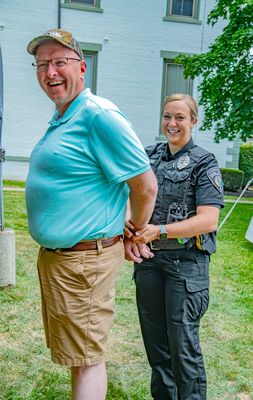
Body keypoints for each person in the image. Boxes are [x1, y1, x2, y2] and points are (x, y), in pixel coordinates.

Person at [25, 28, 157, 400]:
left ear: (82, 68)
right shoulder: (65, 116)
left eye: (59, 62)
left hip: (84, 262)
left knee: (87, 359)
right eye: (42, 64)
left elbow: (145, 185)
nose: (50, 72)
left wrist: (136, 230)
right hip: (64, 262)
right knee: (78, 356)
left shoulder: (99, 115)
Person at [124, 93, 224, 400]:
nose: (172, 123)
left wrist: (162, 230)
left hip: (186, 266)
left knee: (183, 349)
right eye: (168, 116)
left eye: (180, 117)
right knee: (157, 348)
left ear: (193, 121)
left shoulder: (204, 161)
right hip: (151, 263)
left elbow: (208, 220)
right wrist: (128, 220)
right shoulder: (149, 155)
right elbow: (132, 192)